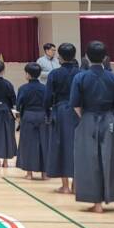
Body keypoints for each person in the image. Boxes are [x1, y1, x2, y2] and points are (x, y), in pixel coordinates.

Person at [70, 42, 114, 213]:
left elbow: (75, 105)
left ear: (86, 56)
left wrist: (86, 118)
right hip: (110, 120)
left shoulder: (80, 78)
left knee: (90, 160)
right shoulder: (113, 77)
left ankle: (97, 203)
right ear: (106, 57)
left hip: (88, 119)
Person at [44, 43, 80, 193]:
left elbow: (47, 97)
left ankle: (65, 185)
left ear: (60, 57)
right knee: (77, 146)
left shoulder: (54, 74)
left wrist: (47, 112)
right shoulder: (81, 73)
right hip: (78, 112)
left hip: (60, 111)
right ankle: (76, 184)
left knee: (61, 146)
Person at [15, 63, 47, 180]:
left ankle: (29, 173)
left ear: (28, 74)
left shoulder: (23, 88)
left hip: (28, 116)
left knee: (28, 144)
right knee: (43, 143)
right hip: (42, 116)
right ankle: (44, 173)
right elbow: (49, 102)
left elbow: (18, 105)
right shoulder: (45, 88)